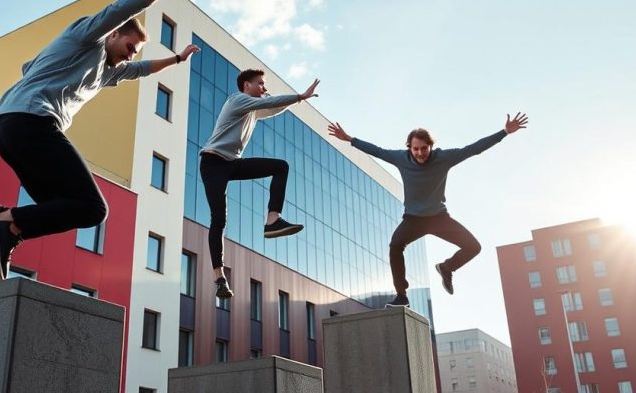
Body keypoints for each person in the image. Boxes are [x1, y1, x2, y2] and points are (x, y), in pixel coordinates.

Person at [0, 0, 204, 279]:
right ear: (114, 34)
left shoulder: (105, 72)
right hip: (31, 121)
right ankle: (6, 221)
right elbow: (121, 8)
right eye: (130, 47)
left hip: (7, 130)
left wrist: (178, 59)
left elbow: (141, 70)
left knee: (64, 205)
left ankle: (4, 221)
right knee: (95, 208)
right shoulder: (86, 38)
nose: (131, 55)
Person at [327, 113, 528, 304]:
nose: (420, 153)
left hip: (439, 218)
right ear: (409, 148)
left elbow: (473, 149)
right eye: (416, 149)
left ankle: (446, 267)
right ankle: (401, 295)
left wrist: (504, 132)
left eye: (424, 148)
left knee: (473, 247)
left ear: (431, 146)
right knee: (395, 246)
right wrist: (350, 139)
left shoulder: (444, 158)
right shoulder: (401, 158)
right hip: (413, 219)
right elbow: (377, 151)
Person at [201, 70, 320, 298]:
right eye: (261, 84)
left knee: (280, 166)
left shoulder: (253, 111)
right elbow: (273, 101)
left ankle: (273, 220)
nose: (264, 88)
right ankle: (220, 278)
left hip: (232, 163)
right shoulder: (236, 100)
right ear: (247, 85)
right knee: (219, 218)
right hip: (212, 163)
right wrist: (300, 96)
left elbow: (273, 107)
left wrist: (293, 101)